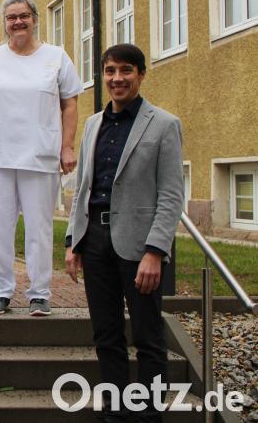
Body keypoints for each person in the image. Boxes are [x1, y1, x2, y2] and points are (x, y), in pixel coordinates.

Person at [65, 44, 183, 422]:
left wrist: (155, 250)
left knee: (148, 337)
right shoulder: (93, 124)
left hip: (139, 247)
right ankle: (115, 412)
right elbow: (84, 187)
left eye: (126, 71)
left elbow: (170, 195)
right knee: (106, 334)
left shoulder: (163, 124)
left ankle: (148, 414)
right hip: (96, 243)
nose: (118, 78)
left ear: (141, 74)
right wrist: (73, 240)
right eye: (111, 71)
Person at [0, 0, 82, 317]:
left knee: (39, 228)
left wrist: (67, 146)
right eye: (11, 17)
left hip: (40, 154)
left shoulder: (56, 57)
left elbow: (70, 104)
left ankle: (39, 293)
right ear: (5, 24)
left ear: (34, 19)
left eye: (23, 16)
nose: (17, 22)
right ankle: (0, 291)